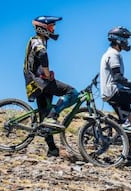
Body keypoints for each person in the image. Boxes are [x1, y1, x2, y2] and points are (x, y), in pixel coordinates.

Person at [23, 16, 79, 157]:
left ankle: (52, 149)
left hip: (34, 82)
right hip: (39, 81)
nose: (53, 30)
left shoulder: (39, 41)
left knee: (44, 115)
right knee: (72, 92)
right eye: (51, 27)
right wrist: (47, 74)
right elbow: (42, 55)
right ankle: (53, 115)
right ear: (43, 28)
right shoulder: (37, 40)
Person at [100, 26, 131, 163]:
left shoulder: (109, 53)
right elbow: (118, 77)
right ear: (118, 40)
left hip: (110, 92)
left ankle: (129, 152)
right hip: (114, 91)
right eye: (126, 39)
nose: (127, 43)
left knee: (128, 120)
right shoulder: (114, 54)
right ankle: (127, 123)